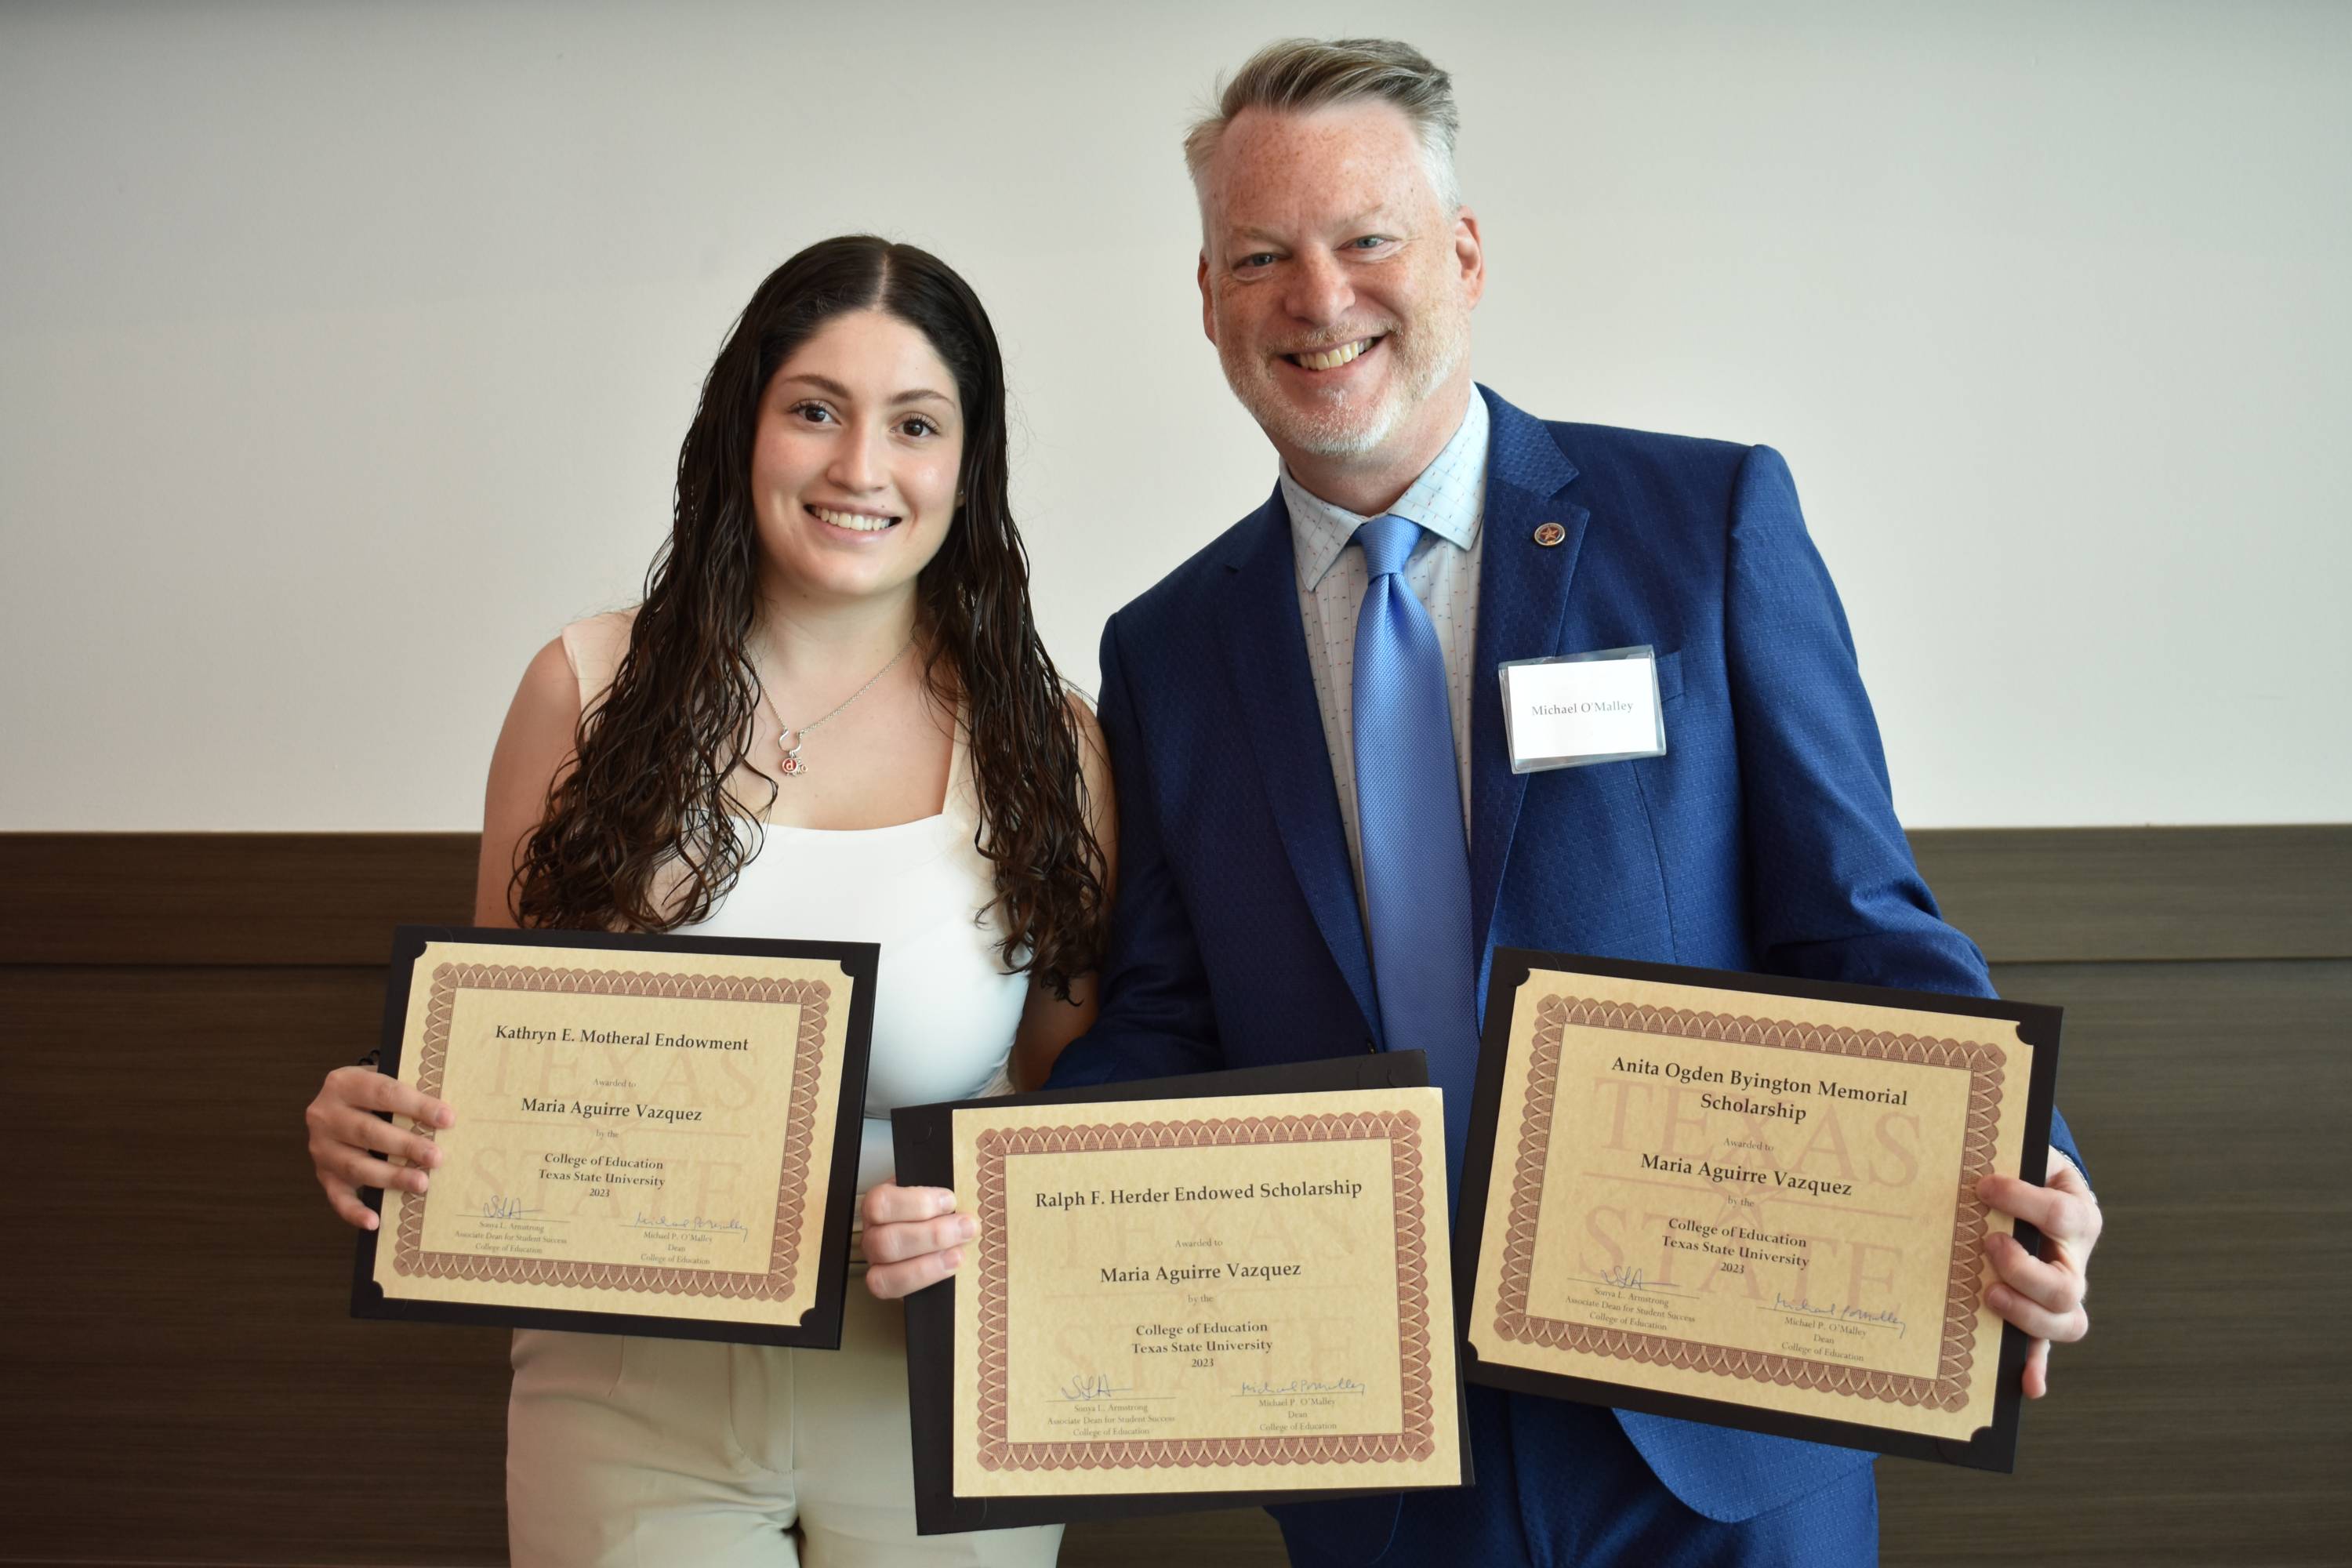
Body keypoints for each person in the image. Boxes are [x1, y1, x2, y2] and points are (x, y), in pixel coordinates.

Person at [885, 36, 2103, 1568]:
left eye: (1366, 239)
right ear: (1207, 301)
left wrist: (2030, 1162)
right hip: (1380, 1462)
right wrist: (1012, 1205)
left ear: (1462, 253)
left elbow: (1863, 924)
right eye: (1259, 255)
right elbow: (1169, 1019)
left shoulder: (1705, 526)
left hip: (1718, 1437)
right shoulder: (1169, 648)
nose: (1317, 299)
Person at [303, 234, 1109, 1566]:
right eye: (814, 410)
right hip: (621, 1389)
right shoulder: (585, 687)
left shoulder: (1049, 741)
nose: (860, 468)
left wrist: (975, 1209)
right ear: (744, 428)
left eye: (915, 424)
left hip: (929, 1379)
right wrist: (378, 1120)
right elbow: (493, 1058)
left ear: (969, 468)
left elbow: (1073, 1099)